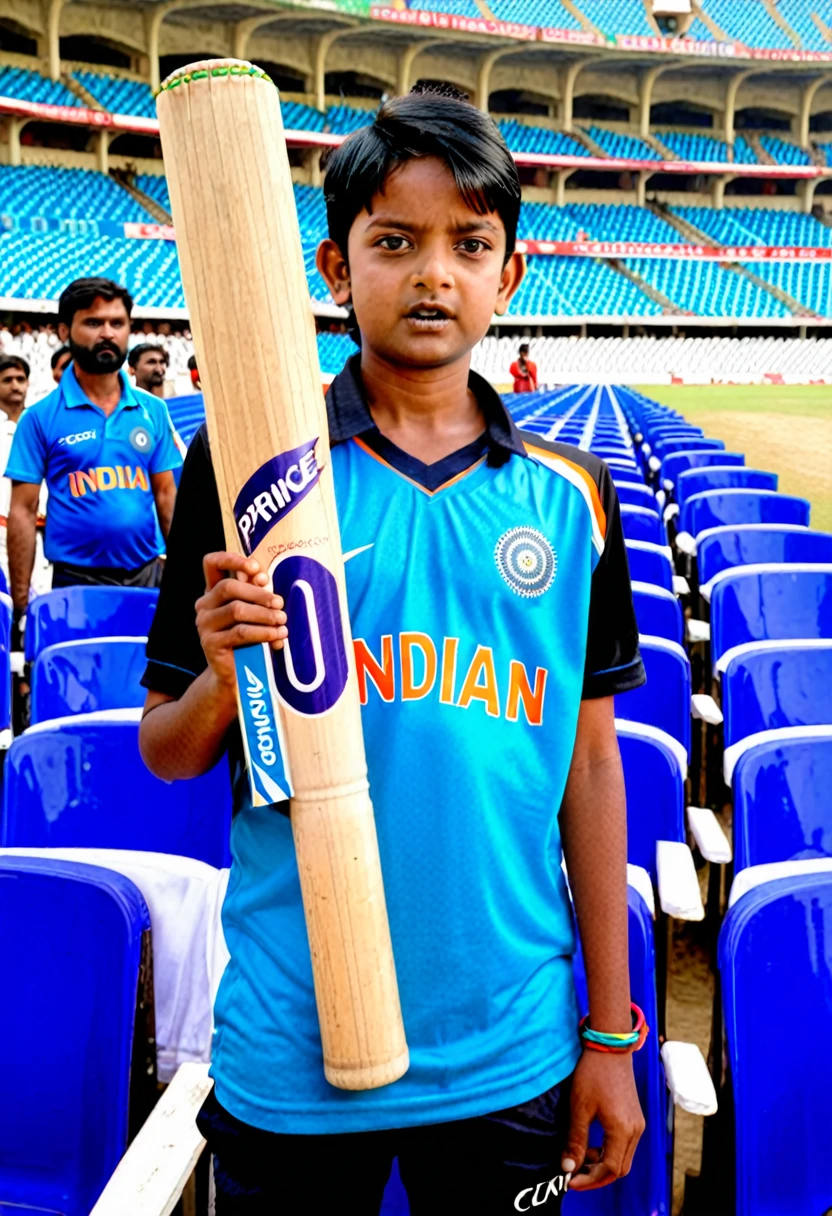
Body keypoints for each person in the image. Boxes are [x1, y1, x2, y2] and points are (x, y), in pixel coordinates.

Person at [139, 87, 645, 1214]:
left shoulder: (571, 499)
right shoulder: (248, 464)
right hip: (290, 1044)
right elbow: (168, 751)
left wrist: (611, 1032)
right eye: (394, 243)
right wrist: (224, 678)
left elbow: (592, 772)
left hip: (509, 1043)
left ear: (508, 274)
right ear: (333, 266)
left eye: (469, 245)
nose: (432, 275)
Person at [5, 277, 182, 613]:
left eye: (117, 323)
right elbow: (23, 513)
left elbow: (165, 496)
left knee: (147, 667)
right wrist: (22, 603)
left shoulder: (153, 411)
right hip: (75, 583)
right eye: (92, 322)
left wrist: (184, 578)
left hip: (148, 576)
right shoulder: (39, 418)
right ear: (63, 331)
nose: (107, 333)